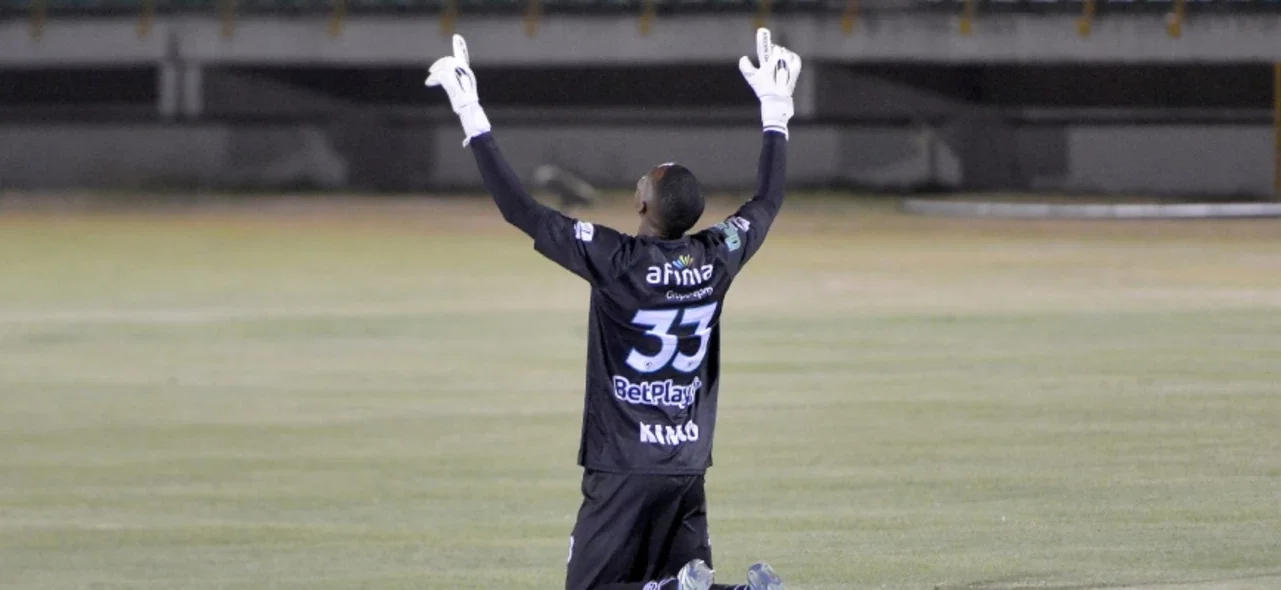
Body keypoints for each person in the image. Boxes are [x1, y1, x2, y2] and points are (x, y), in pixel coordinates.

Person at [424, 27, 800, 590]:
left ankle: (676, 587)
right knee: (673, 577)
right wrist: (776, 114)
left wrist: (471, 112)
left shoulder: (617, 259)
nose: (638, 180)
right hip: (687, 461)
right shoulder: (715, 256)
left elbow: (521, 211)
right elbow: (766, 202)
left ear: (646, 202)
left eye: (644, 180)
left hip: (624, 462)